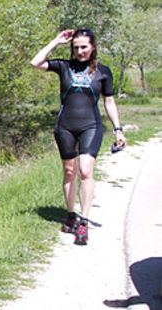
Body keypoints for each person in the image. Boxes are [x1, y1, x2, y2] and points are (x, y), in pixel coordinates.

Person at [31, 29, 127, 245]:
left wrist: (118, 129)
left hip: (90, 126)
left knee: (85, 171)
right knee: (69, 171)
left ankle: (83, 220)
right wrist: (56, 41)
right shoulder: (64, 66)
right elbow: (36, 62)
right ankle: (70, 214)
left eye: (84, 47)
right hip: (65, 126)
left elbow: (109, 102)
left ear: (93, 47)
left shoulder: (103, 72)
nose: (80, 51)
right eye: (76, 47)